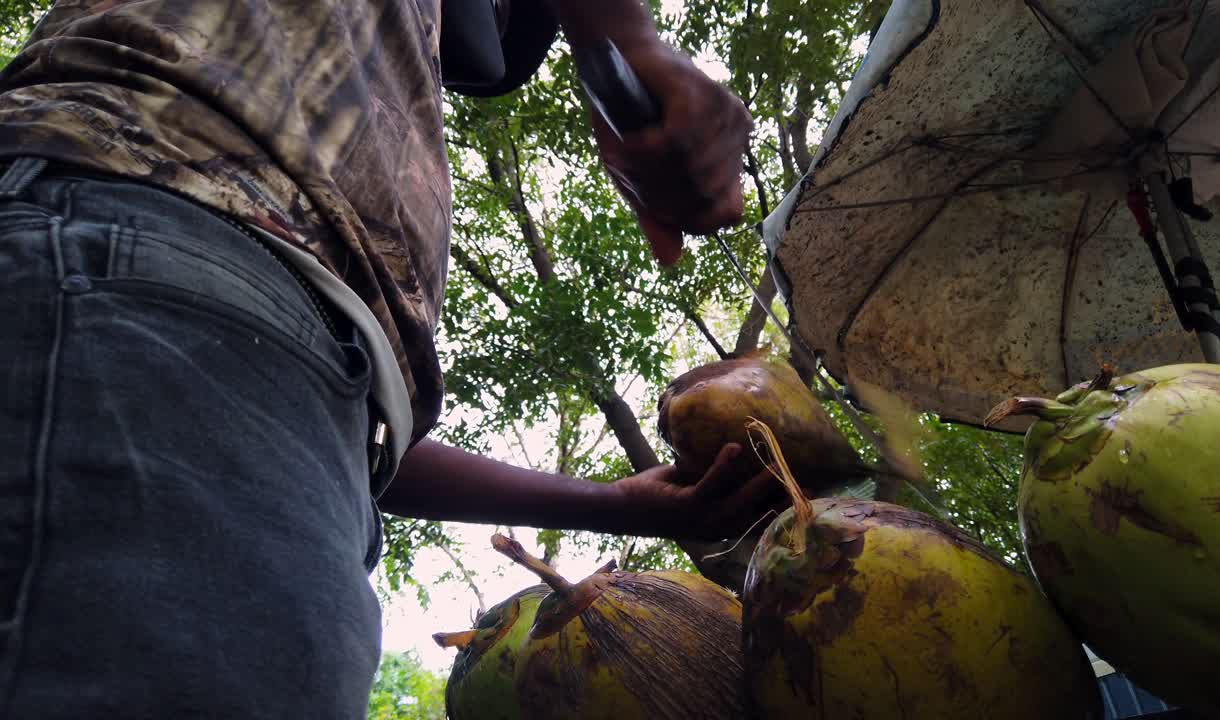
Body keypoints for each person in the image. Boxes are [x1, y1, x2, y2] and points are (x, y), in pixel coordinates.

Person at [0, 0, 768, 717]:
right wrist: (625, 43)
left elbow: (365, 441)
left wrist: (617, 506)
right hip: (132, 253)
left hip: (230, 352)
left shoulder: (374, 121)